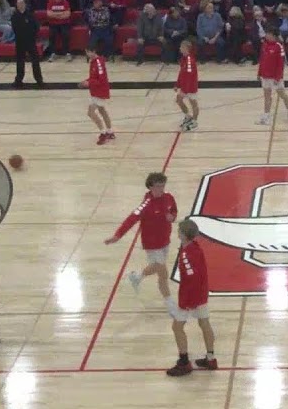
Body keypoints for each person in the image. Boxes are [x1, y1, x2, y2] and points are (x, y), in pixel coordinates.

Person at [107, 171, 177, 305]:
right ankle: (169, 302)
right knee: (163, 272)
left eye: (162, 186)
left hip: (165, 241)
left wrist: (172, 217)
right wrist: (117, 235)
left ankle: (136, 277)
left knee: (156, 267)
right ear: (150, 187)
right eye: (157, 186)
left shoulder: (169, 197)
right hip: (151, 244)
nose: (161, 189)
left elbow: (174, 210)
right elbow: (131, 219)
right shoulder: (146, 205)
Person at [167, 220, 217, 376]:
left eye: (179, 230)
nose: (177, 232)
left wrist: (187, 303)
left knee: (177, 327)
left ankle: (184, 362)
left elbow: (191, 278)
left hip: (189, 298)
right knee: (204, 323)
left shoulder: (185, 255)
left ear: (183, 234)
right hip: (201, 294)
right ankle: (210, 359)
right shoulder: (196, 248)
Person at [256, 25, 288, 126]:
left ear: (273, 35)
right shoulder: (264, 45)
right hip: (265, 76)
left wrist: (277, 77)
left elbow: (281, 65)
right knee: (267, 96)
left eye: (268, 34)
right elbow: (262, 60)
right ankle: (266, 116)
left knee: (282, 95)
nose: (266, 35)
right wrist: (259, 73)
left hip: (275, 77)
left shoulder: (278, 46)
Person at [80, 46, 115, 145]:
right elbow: (93, 77)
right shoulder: (93, 62)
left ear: (94, 51)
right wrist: (86, 81)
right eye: (86, 52)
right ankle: (110, 131)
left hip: (100, 92)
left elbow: (101, 80)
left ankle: (103, 133)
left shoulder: (99, 63)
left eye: (88, 52)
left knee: (91, 113)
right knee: (102, 111)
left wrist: (89, 83)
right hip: (95, 91)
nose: (87, 54)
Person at [11, 0, 44, 88]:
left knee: (35, 61)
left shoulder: (31, 15)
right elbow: (15, 29)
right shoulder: (14, 16)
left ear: (25, 4)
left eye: (22, 3)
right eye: (18, 4)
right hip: (20, 42)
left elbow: (36, 27)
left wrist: (32, 36)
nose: (20, 5)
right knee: (20, 62)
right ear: (16, 6)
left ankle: (39, 79)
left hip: (30, 41)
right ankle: (18, 80)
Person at [175, 39, 200, 130]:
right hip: (184, 86)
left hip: (190, 87)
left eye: (181, 47)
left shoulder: (190, 60)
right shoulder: (183, 59)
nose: (180, 48)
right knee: (178, 100)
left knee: (193, 104)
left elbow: (190, 75)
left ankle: (195, 121)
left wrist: (187, 88)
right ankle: (188, 116)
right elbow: (181, 73)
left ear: (186, 48)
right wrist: (177, 84)